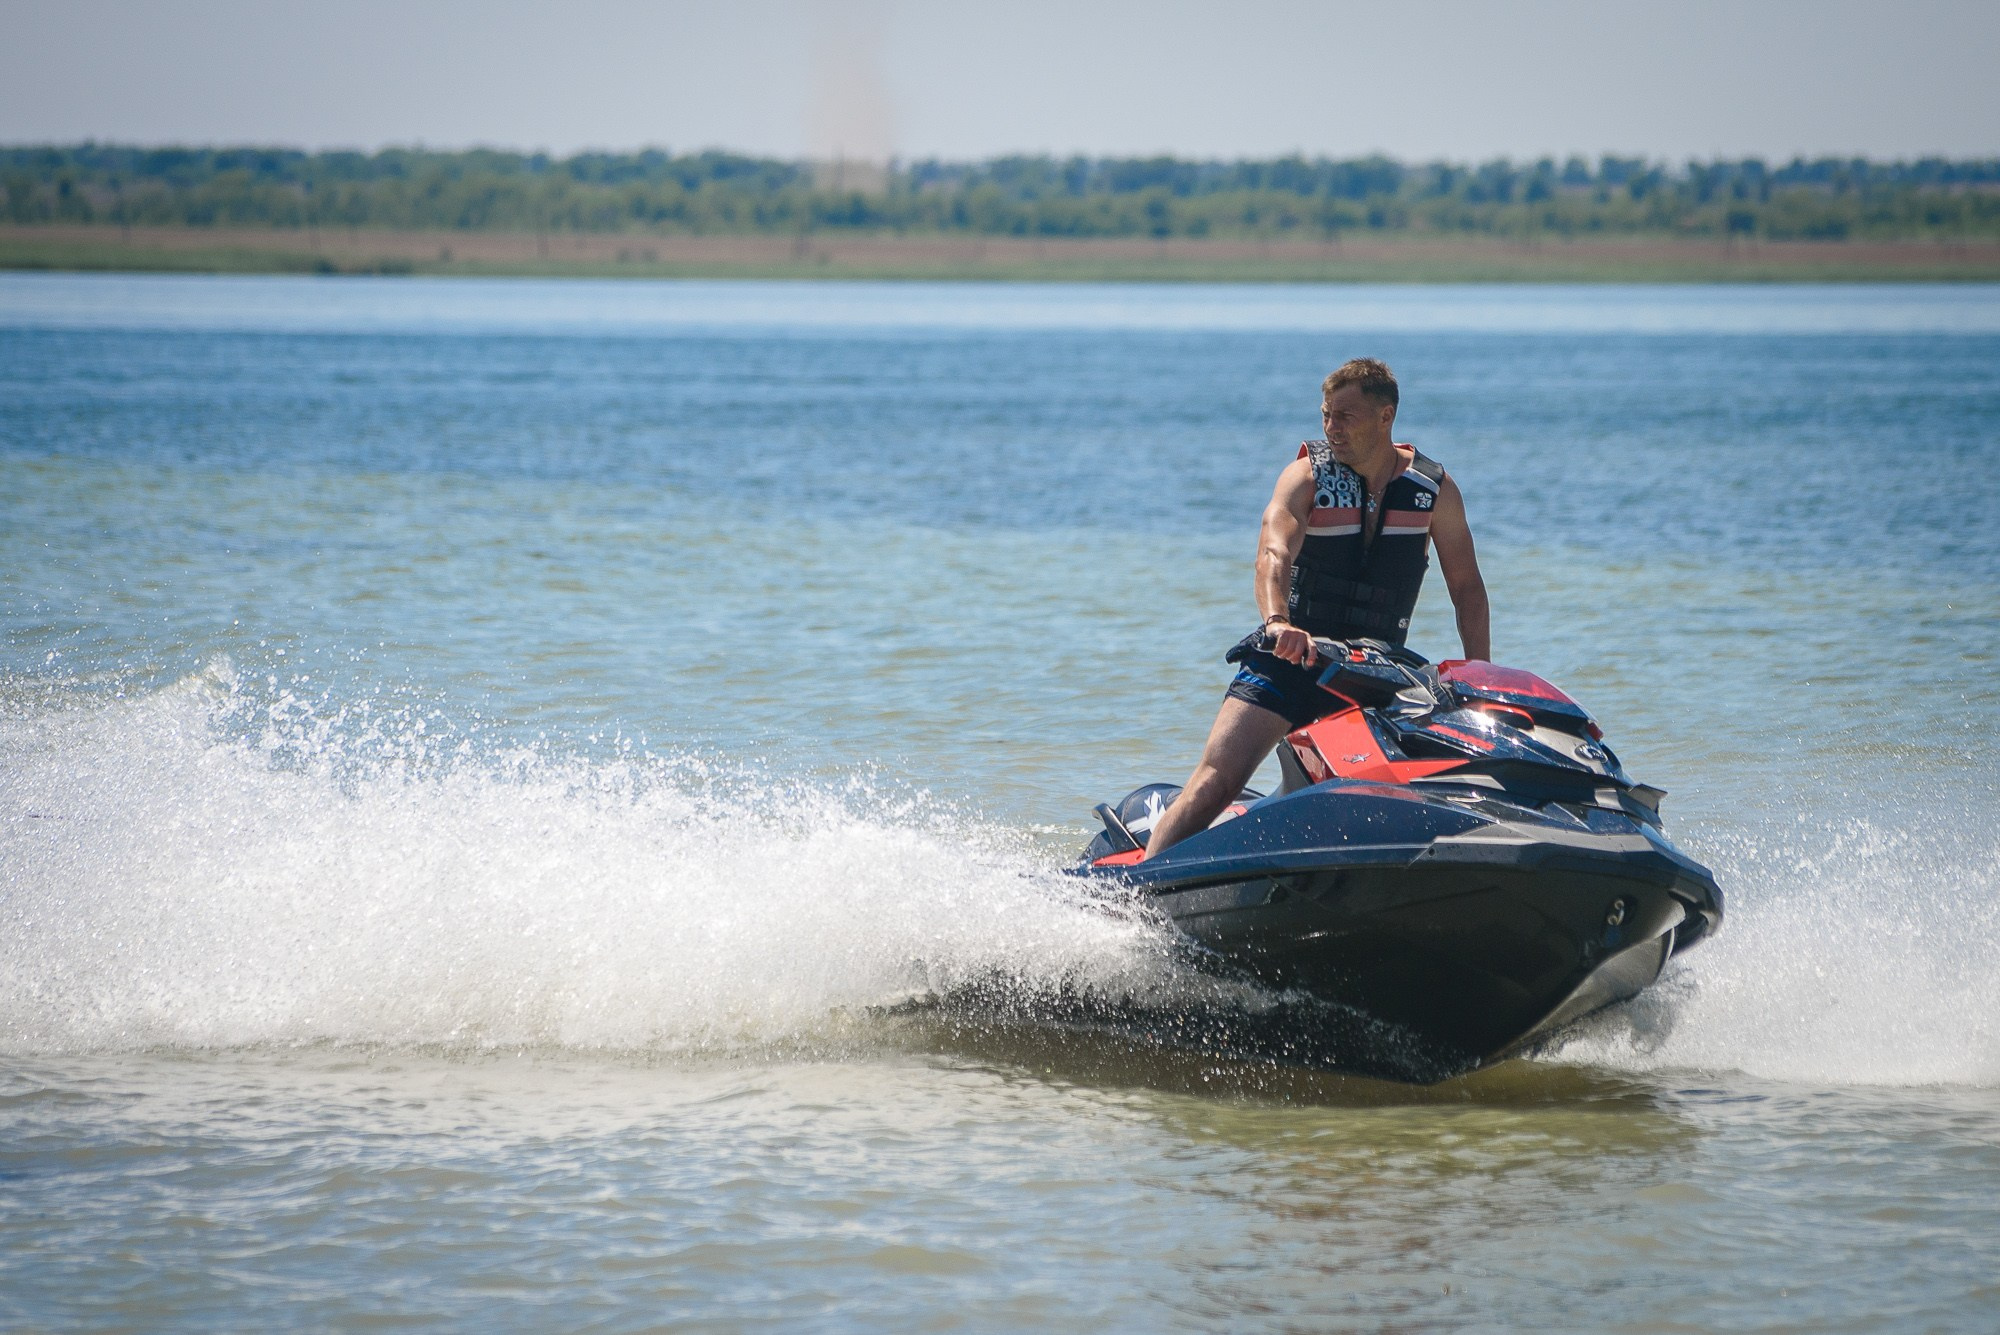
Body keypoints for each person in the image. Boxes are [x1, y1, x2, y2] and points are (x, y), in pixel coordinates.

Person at [1141, 358, 1491, 859]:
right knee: (1218, 780)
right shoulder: (1305, 477)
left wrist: (1477, 672)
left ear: (1385, 416)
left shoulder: (1434, 491)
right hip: (1290, 657)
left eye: (1345, 416)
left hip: (1373, 675)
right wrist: (1278, 621)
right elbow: (1273, 553)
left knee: (1389, 798)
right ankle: (1143, 887)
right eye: (1327, 414)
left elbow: (1468, 587)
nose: (1331, 427)